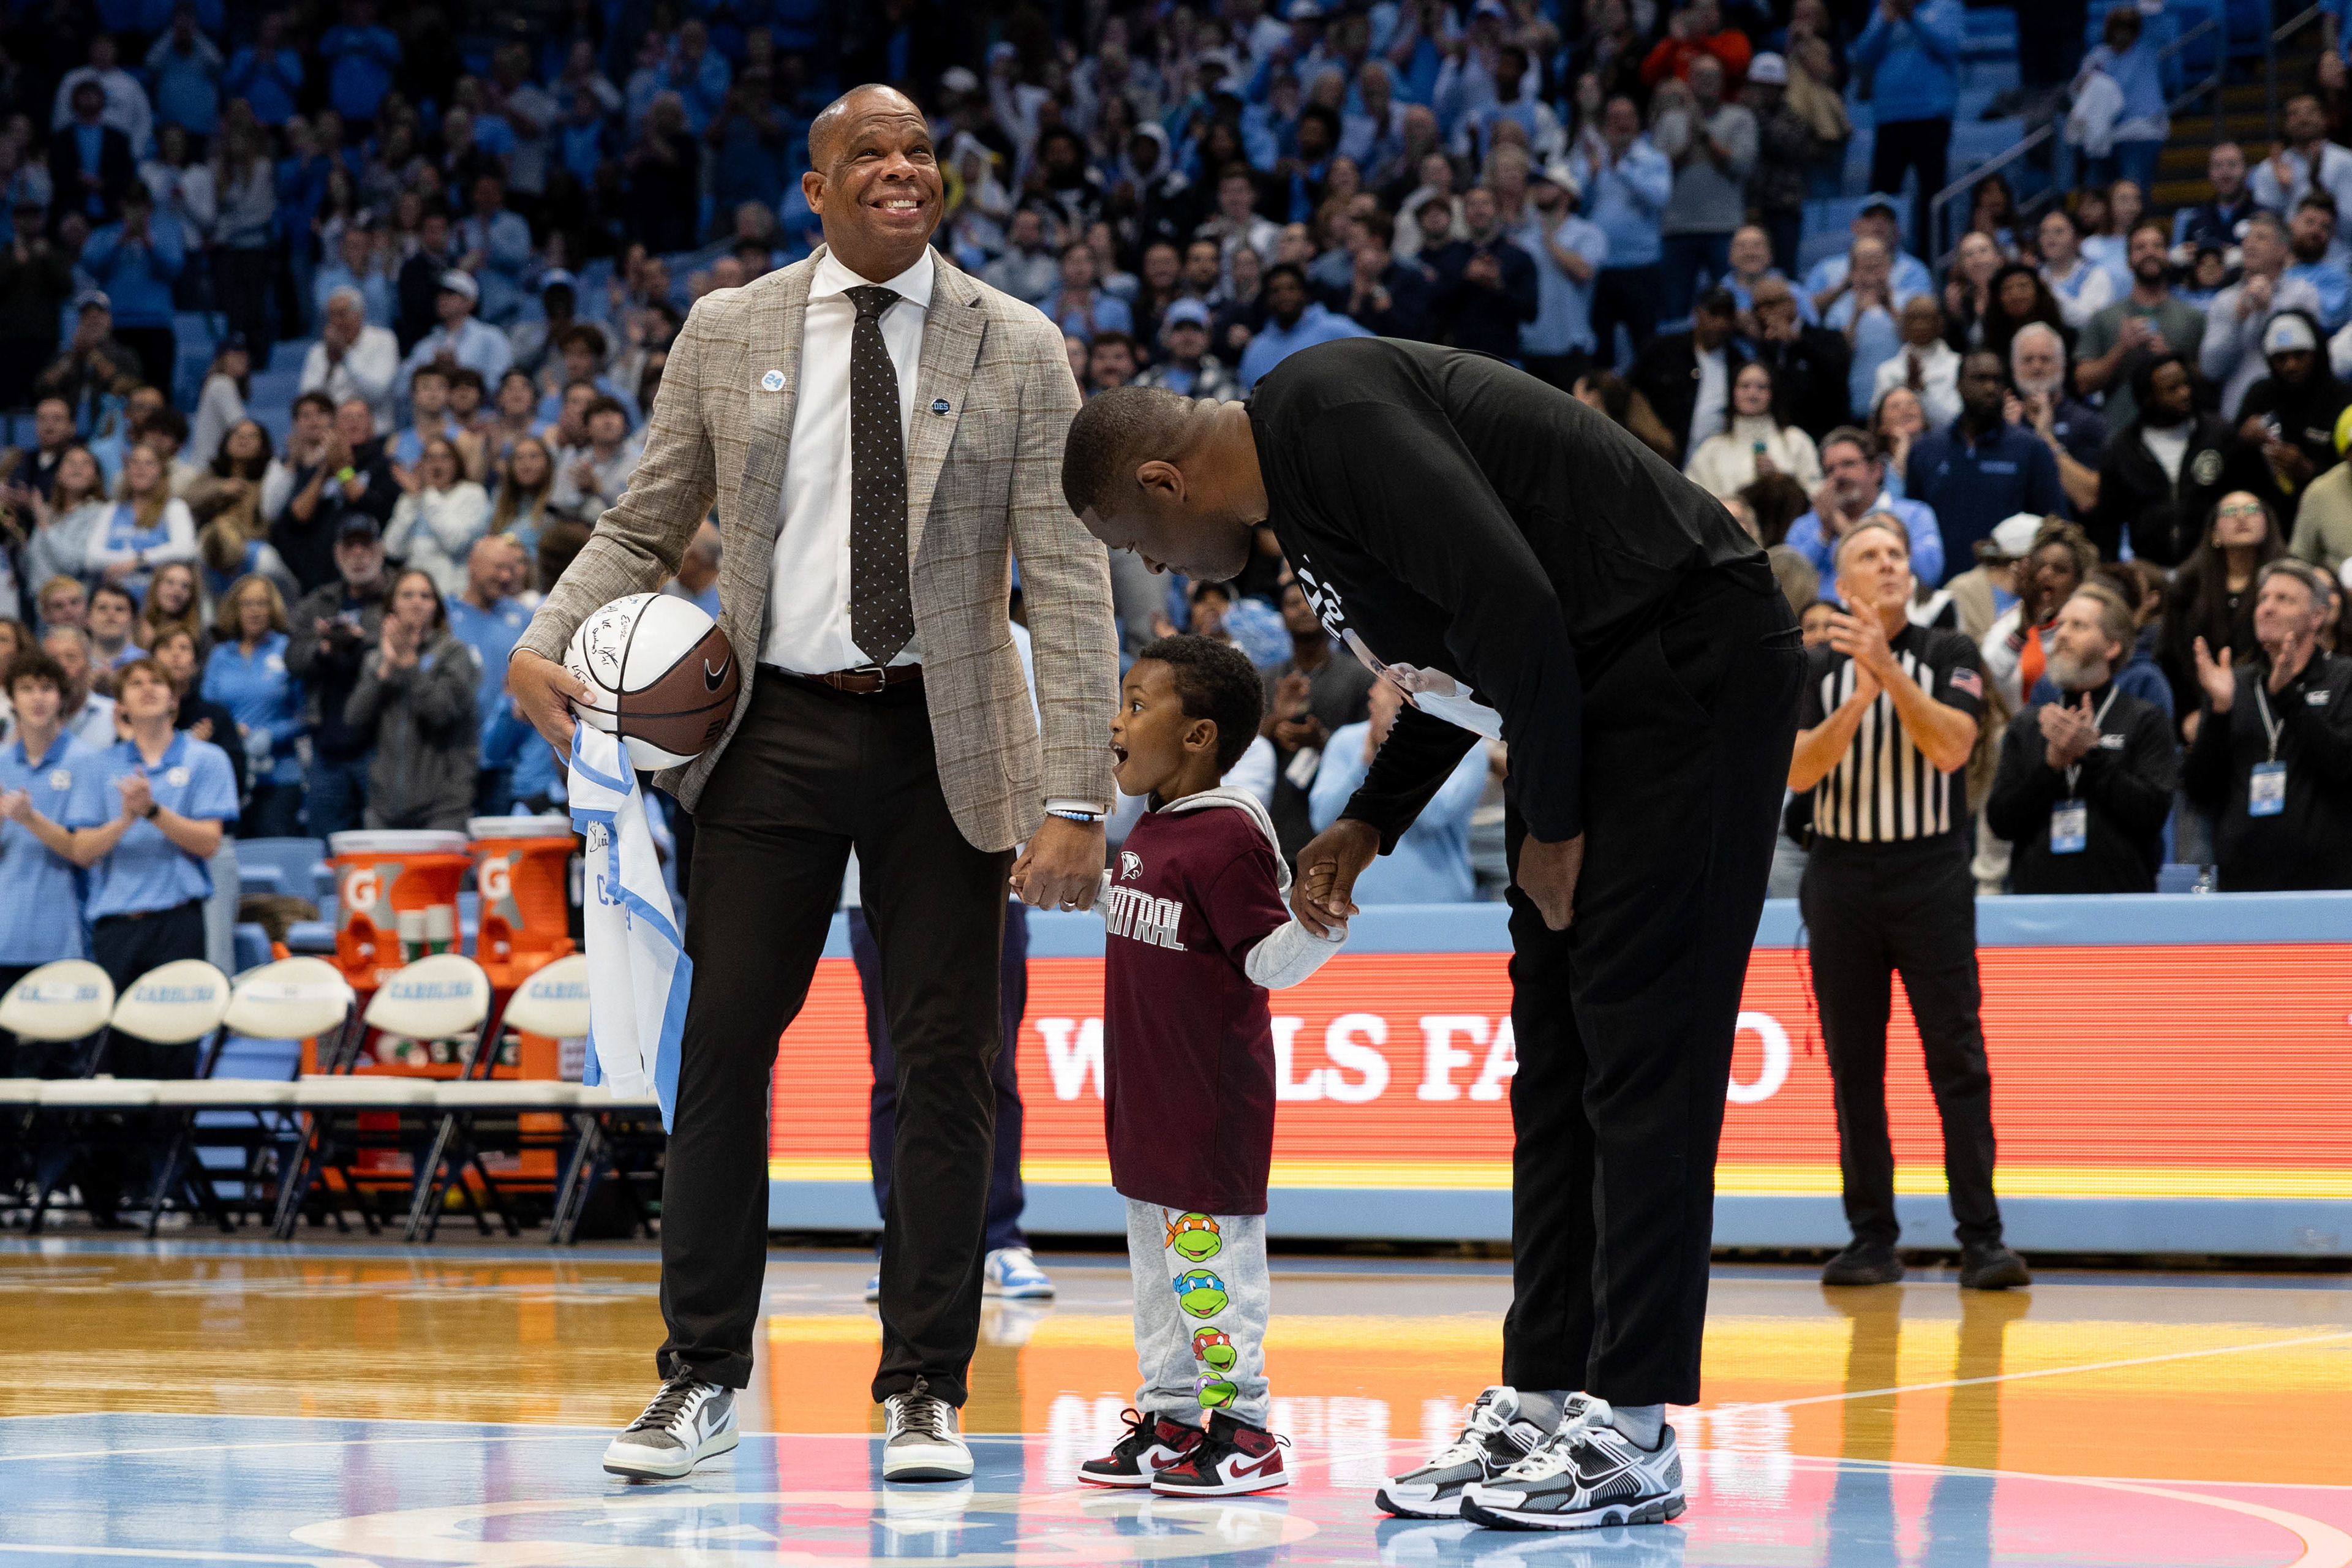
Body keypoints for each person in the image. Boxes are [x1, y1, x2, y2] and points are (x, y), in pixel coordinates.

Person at [1062, 337, 1804, 1529]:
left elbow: (1515, 604)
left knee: (1640, 1049)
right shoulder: (1299, 505)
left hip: (1689, 658)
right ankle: (1545, 1387)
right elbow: (1466, 667)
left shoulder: (1324, 409)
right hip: (1588, 691)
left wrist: (1551, 823)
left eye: (1137, 542)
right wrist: (1366, 820)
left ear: (1163, 480)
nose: (1152, 564)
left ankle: (1638, 1423)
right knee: (1556, 1059)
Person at [505, 85, 1118, 1485]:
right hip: (766, 725)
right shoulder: (728, 329)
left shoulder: (1018, 342)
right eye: (871, 154)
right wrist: (543, 639)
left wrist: (1077, 795)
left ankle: (923, 1389)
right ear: (815, 184)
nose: (900, 170)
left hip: (950, 736)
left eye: (918, 154)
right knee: (720, 1048)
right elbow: (647, 517)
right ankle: (702, 1376)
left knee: (950, 1069)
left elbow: (1070, 579)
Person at [1785, 518, 2029, 1291]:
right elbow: (1796, 772)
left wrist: (1889, 673)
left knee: (1955, 1055)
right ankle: (1871, 1238)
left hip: (1931, 873)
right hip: (1842, 877)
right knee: (1855, 1065)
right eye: (1870, 556)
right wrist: (1857, 700)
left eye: (1897, 554)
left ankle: (1982, 1238)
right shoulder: (1811, 668)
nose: (1889, 564)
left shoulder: (1949, 652)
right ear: (1842, 581)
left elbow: (1953, 747)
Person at [1986, 581, 2177, 892]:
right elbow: (2001, 822)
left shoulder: (2144, 718)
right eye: (2060, 625)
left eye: (2079, 626)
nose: (2061, 635)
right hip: (2037, 909)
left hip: (2121, 904)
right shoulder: (2031, 723)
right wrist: (2050, 769)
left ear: (2112, 647)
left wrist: (2091, 756)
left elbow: (2152, 814)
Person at [2183, 557, 2352, 887]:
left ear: (2318, 616)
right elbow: (2200, 789)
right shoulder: (2232, 685)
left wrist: (2288, 698)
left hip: (2326, 882)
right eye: (2263, 599)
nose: (2267, 608)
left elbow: (2344, 765)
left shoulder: (2345, 678)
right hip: (2243, 881)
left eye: (2283, 599)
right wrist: (2218, 713)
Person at [0, 649, 96, 1075]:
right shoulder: (2, 764)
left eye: (46, 688)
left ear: (62, 698)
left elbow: (81, 850)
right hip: (6, 937)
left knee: (54, 1074)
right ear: (11, 699)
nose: (37, 698)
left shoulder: (85, 762)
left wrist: (29, 818)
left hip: (60, 939)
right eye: (26, 689)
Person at [1308, 677, 1487, 902]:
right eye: (1388, 683)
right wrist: (1367, 759)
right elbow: (1323, 821)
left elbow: (1433, 818)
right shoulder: (1345, 741)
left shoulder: (1468, 745)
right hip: (1353, 902)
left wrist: (1393, 751)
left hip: (1439, 906)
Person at [342, 567, 475, 830]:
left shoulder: (454, 654)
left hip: (443, 809)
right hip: (384, 807)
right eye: (407, 595)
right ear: (392, 605)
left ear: (437, 607)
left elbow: (441, 713)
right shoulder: (377, 657)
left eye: (426, 596)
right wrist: (385, 670)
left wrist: (408, 664)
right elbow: (353, 719)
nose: (417, 602)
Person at [1908, 349, 2067, 564]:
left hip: (2009, 585)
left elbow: (2054, 526)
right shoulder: (1926, 449)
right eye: (1980, 379)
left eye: (1997, 380)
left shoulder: (2031, 449)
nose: (1990, 388)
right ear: (1958, 384)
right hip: (1941, 585)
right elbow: (1913, 527)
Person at [285, 517, 390, 837]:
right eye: (350, 546)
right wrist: (324, 650)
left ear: (381, 550)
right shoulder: (318, 602)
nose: (358, 554)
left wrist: (361, 643)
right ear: (337, 553)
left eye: (366, 545)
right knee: (325, 846)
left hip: (381, 743)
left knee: (380, 843)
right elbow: (292, 657)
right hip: (327, 744)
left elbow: (411, 644)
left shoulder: (399, 596)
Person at [2092, 353, 2241, 567]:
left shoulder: (2219, 436)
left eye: (2186, 384)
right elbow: (2108, 524)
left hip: (2213, 567)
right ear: (2147, 397)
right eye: (2173, 389)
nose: (2185, 393)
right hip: (2150, 570)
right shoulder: (2121, 450)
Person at [1852, 0, 1964, 253]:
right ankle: (1875, 256)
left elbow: (1949, 47)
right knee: (1881, 198)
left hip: (1931, 113)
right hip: (1889, 115)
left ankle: (1932, 261)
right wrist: (1886, 22)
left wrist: (1911, 16)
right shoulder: (1883, 8)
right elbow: (1863, 54)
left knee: (1932, 195)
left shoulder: (1947, 6)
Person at [1569, 95, 1672, 368]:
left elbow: (1660, 198)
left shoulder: (1653, 159)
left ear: (1638, 123)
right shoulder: (1591, 160)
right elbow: (1578, 206)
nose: (1621, 125)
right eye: (1615, 118)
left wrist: (1621, 167)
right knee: (1600, 348)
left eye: (1627, 117)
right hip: (1601, 268)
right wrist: (1591, 177)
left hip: (1641, 266)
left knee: (1646, 346)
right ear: (1605, 125)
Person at [2074, 220, 2206, 432]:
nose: (2150, 252)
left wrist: (2170, 359)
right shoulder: (2104, 318)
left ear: (2167, 256)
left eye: (2157, 246)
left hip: (2183, 436)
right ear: (2128, 261)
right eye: (2140, 247)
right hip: (2121, 438)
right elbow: (2083, 384)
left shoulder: (2194, 318)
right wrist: (2121, 349)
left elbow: (2210, 384)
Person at [202, 575, 304, 839]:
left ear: (273, 609)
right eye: (247, 603)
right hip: (229, 778)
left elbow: (305, 715)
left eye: (262, 603)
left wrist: (270, 734)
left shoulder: (288, 650)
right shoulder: (221, 656)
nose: (255, 610)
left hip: (279, 777)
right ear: (236, 609)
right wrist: (230, 731)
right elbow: (206, 710)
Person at [2201, 211, 2324, 418]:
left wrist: (2271, 313)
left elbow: (2312, 359)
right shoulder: (2225, 301)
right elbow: (2210, 369)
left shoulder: (2302, 295)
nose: (2249, 244)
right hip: (2237, 418)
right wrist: (2238, 317)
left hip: (2292, 414)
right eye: (2248, 237)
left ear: (2282, 252)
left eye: (2261, 238)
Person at [2237, 311, 2352, 518]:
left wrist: (2309, 470)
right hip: (2266, 517)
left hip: (2331, 513)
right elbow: (2231, 467)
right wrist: (2241, 441)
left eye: (2299, 355)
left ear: (2316, 354)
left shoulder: (2344, 399)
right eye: (2280, 358)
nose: (2290, 365)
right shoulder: (2260, 395)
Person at [1631, 286, 1752, 460]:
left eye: (1728, 316)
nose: (1721, 323)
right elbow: (1630, 393)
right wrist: (1651, 430)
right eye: (1714, 313)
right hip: (1657, 456)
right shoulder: (1661, 350)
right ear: (1698, 313)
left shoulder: (1739, 364)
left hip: (1715, 460)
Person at [1684, 361, 1822, 500]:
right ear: (1733, 392)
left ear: (1772, 394)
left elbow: (1816, 495)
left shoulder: (1796, 441)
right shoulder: (1711, 449)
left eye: (1761, 387)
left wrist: (1779, 481)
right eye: (1745, 386)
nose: (1752, 394)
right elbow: (1692, 499)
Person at [1235, 261, 1371, 393]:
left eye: (1291, 288)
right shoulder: (1255, 350)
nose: (1284, 296)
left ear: (1304, 294)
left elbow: (1378, 354)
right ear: (1267, 299)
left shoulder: (1337, 329)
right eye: (1275, 291)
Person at [88, 443, 197, 603]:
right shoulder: (111, 509)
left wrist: (139, 561)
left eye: (149, 463)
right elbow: (92, 558)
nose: (141, 468)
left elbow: (185, 550)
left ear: (161, 471)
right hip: (117, 602)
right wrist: (132, 561)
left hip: (158, 603)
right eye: (135, 463)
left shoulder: (174, 508)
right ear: (127, 469)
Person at [383, 436, 489, 598]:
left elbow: (456, 544)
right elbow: (392, 549)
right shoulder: (411, 497)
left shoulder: (472, 494)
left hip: (455, 595)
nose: (436, 464)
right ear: (421, 465)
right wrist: (412, 502)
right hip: (416, 597)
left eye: (444, 457)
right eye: (430, 458)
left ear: (456, 463)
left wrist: (427, 493)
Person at [1748, 276, 1852, 438]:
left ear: (1791, 304)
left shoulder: (1827, 337)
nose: (1763, 313)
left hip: (1824, 435)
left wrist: (1797, 341)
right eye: (1757, 308)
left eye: (1770, 304)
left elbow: (1836, 377)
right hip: (1780, 438)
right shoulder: (1764, 350)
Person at [301, 287, 401, 432]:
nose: (336, 322)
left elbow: (377, 393)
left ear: (360, 314)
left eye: (341, 314)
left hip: (376, 434)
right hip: (332, 436)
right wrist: (330, 366)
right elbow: (309, 402)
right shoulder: (318, 351)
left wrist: (345, 357)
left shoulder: (384, 340)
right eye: (331, 316)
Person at [398, 270, 514, 388]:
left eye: (450, 293)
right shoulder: (427, 344)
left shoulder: (491, 337)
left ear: (470, 302)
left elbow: (502, 384)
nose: (442, 298)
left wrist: (457, 374)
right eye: (440, 293)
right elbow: (401, 387)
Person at [1872, 296, 1961, 429]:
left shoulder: (1958, 365)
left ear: (1940, 323)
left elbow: (1956, 418)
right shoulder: (1887, 371)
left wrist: (1920, 390)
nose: (1919, 325)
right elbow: (1878, 420)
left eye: (1926, 318)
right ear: (1903, 325)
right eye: (1913, 318)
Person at [1134, 300, 1241, 401]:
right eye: (1179, 329)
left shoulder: (1227, 380)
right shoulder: (1146, 383)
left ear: (1208, 337)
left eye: (1196, 329)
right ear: (1166, 338)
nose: (1188, 336)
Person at [42, 624, 119, 747]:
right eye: (54, 660)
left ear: (89, 664)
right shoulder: (31, 719)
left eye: (71, 657)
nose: (62, 666)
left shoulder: (113, 714)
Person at [2174, 141, 2258, 252]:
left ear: (2247, 170)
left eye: (2232, 164)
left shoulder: (2263, 217)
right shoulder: (2196, 219)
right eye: (2218, 166)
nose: (2225, 172)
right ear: (2209, 172)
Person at [86, 582, 139, 673]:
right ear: (88, 618)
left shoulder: (145, 662)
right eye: (102, 608)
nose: (111, 614)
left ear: (133, 620)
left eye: (119, 609)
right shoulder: (76, 661)